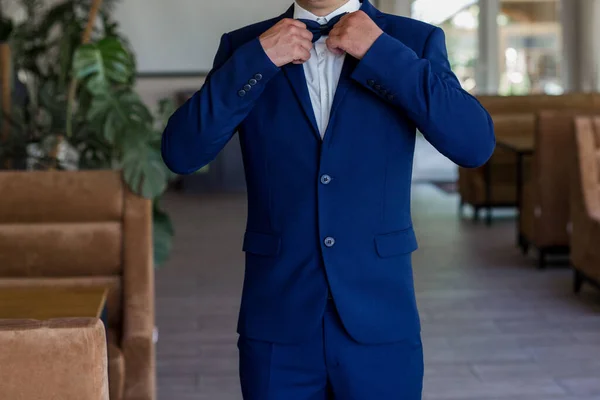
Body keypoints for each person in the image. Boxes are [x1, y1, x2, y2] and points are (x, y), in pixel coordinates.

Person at [161, 0, 495, 398]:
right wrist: (257, 60)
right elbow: (181, 153)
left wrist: (381, 52)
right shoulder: (244, 47)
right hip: (277, 323)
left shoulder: (411, 40)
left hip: (381, 321)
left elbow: (475, 145)